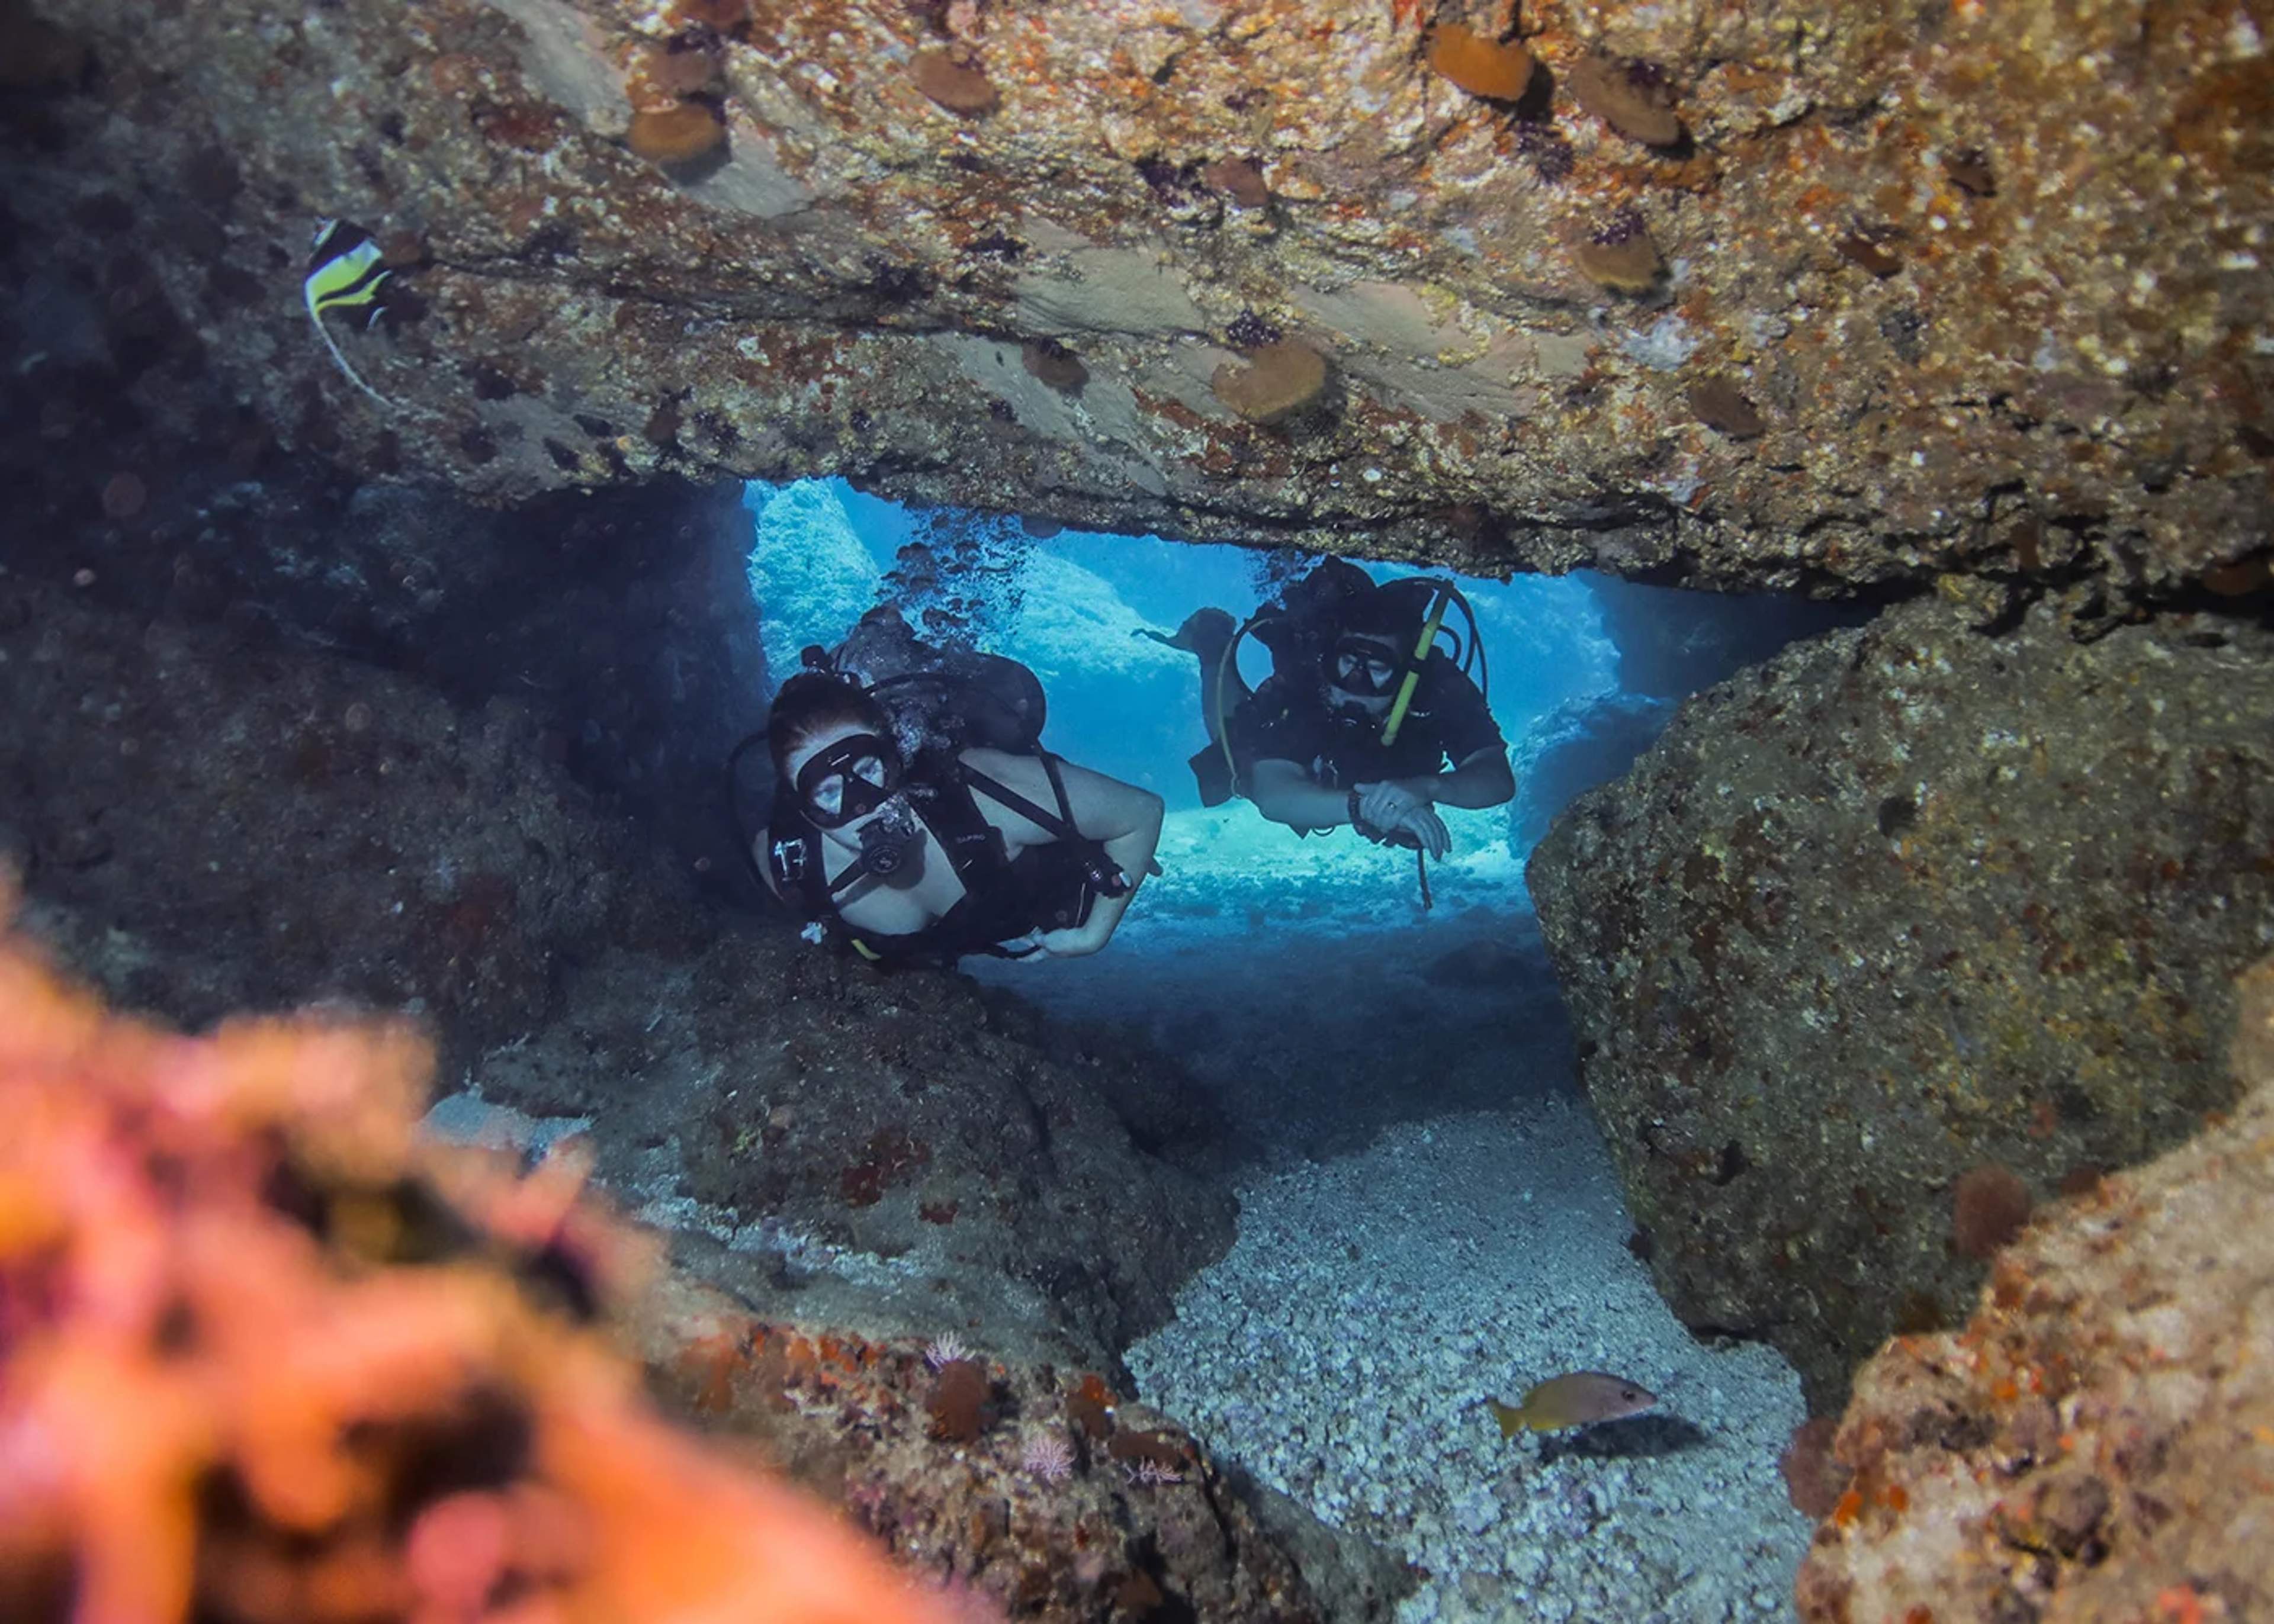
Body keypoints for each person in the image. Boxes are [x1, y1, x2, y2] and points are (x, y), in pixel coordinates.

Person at [756, 671, 1163, 964]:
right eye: (828, 792)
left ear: (895, 757)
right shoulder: (791, 868)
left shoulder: (985, 793)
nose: (863, 805)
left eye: (867, 770)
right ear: (802, 808)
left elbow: (1141, 813)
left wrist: (1092, 936)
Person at [1154, 558, 1512, 859]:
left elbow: (1497, 779)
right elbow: (1272, 794)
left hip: (1390, 762)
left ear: (1406, 675)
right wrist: (1363, 809)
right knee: (1232, 753)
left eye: (1378, 670)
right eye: (1349, 663)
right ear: (1332, 659)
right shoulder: (1310, 685)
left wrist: (1428, 788)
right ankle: (1212, 648)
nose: (1356, 683)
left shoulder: (1436, 683)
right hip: (1310, 736)